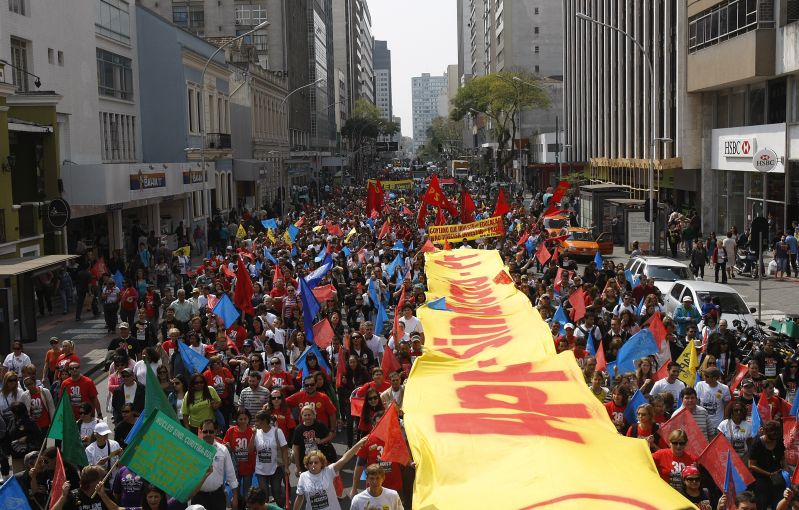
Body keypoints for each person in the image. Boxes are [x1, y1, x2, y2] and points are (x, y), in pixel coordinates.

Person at [293, 436, 368, 510]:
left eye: (316, 462)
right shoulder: (303, 476)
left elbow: (344, 458)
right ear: (307, 464)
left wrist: (359, 444)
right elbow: (299, 498)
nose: (313, 465)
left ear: (321, 463)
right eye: (310, 463)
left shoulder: (328, 471)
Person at [193, 419, 239, 510]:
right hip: (198, 496)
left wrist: (235, 497)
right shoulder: (194, 450)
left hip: (217, 496)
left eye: (211, 431)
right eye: (205, 431)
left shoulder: (223, 450)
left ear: (216, 431)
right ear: (201, 432)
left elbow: (231, 475)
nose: (208, 434)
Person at [250, 410, 289, 505]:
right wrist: (253, 435)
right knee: (264, 497)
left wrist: (286, 467)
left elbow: (284, 449)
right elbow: (250, 450)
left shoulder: (277, 431)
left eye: (258, 421)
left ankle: (282, 506)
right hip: (261, 470)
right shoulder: (256, 433)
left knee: (277, 494)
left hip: (276, 468)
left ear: (265, 421)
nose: (256, 424)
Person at [749, 419, 786, 510]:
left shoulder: (778, 441)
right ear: (765, 432)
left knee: (778, 503)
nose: (773, 439)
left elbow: (782, 458)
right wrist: (768, 474)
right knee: (762, 504)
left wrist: (785, 470)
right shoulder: (757, 443)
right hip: (761, 479)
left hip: (777, 478)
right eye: (771, 437)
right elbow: (751, 465)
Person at [223, 408, 256, 500]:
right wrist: (226, 444)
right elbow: (224, 443)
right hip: (235, 467)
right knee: (235, 492)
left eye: (245, 419)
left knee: (247, 492)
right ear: (236, 419)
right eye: (240, 419)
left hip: (248, 466)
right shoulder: (231, 431)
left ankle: (246, 505)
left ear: (249, 419)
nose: (243, 421)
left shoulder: (252, 432)